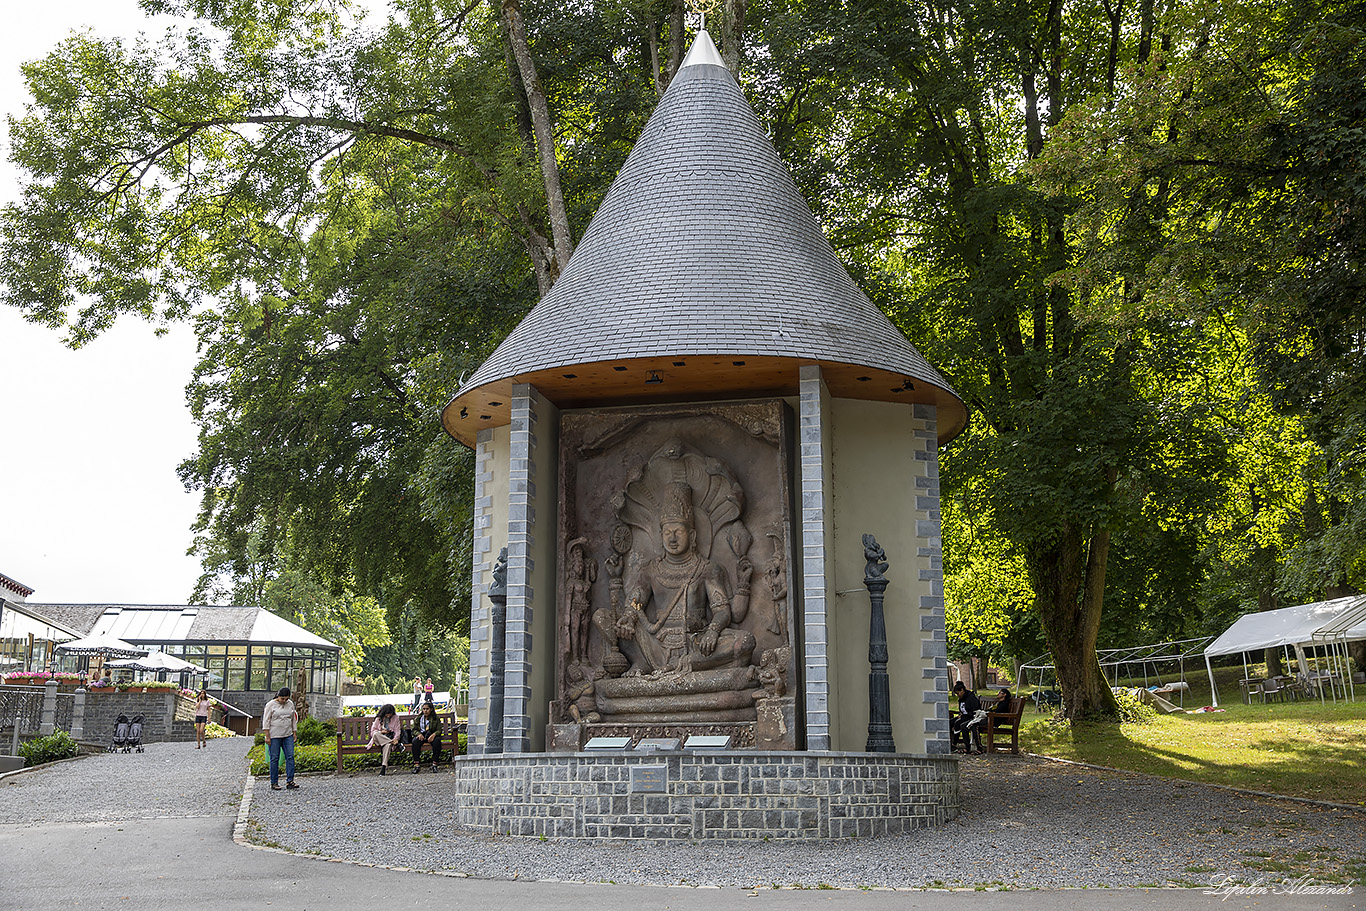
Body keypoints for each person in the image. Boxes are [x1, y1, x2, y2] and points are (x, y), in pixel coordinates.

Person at [612, 482, 755, 676]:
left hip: (696, 642)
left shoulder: (706, 569)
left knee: (745, 641)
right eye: (667, 532)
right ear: (660, 535)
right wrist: (629, 617)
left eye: (678, 532)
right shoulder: (651, 570)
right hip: (656, 642)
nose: (672, 538)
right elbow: (636, 603)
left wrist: (712, 631)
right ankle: (642, 662)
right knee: (609, 621)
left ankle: (686, 663)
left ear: (692, 535)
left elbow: (723, 611)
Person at [261, 687, 299, 790]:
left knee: (290, 757)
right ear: (278, 696)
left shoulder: (290, 704)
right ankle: (274, 782)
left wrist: (294, 733)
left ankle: (290, 781)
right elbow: (266, 721)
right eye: (282, 699)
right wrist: (267, 736)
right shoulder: (270, 705)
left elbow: (293, 719)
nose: (284, 701)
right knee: (274, 758)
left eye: (286, 699)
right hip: (274, 735)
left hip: (288, 734)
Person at [368, 703, 402, 775]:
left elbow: (397, 731)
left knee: (388, 745)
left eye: (390, 714)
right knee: (376, 734)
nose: (389, 715)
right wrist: (381, 732)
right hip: (379, 738)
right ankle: (395, 743)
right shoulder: (378, 719)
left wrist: (396, 738)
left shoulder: (395, 718)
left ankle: (383, 767)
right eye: (387, 714)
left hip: (389, 738)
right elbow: (373, 732)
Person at [950, 681, 984, 754]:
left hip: (971, 716)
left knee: (959, 723)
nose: (957, 695)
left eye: (958, 693)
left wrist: (963, 716)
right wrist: (960, 715)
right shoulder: (961, 699)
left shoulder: (971, 698)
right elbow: (962, 710)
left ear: (962, 690)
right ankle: (951, 743)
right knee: (950, 722)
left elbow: (974, 711)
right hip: (963, 716)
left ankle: (957, 744)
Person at [410, 701, 443, 772]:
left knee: (437, 742)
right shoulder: (418, 718)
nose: (425, 711)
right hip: (422, 735)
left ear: (431, 709)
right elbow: (414, 730)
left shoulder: (435, 718)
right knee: (415, 742)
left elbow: (439, 730)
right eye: (424, 709)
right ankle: (416, 765)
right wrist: (418, 734)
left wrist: (434, 735)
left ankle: (435, 764)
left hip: (431, 734)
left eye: (427, 709)